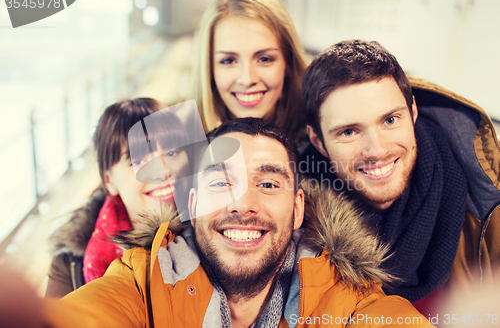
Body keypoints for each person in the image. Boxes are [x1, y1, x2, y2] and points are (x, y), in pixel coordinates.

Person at [45, 118, 433, 327]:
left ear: (297, 209)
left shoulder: (348, 301)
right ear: (192, 202)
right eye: (220, 182)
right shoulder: (142, 281)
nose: (244, 203)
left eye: (267, 182)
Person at [301, 40, 500, 317]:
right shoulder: (294, 228)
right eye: (348, 132)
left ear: (413, 112)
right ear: (318, 142)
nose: (378, 150)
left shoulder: (489, 210)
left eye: (390, 120)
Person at [46, 98, 192, 297]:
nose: (162, 171)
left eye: (173, 152)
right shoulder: (70, 267)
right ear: (109, 181)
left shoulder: (219, 233)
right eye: (138, 160)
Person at [190, 0, 308, 140]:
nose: (247, 79)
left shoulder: (318, 142)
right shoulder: (178, 143)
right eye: (228, 61)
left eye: (264, 59)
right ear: (209, 69)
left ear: (288, 63)